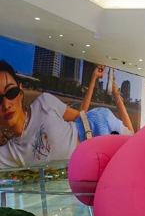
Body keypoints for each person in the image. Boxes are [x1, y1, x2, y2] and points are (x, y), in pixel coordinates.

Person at [0, 60, 134, 168]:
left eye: (11, 92)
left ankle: (116, 94)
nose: (6, 105)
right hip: (90, 162)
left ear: (21, 91)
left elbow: (81, 115)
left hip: (96, 126)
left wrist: (94, 78)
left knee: (134, 145)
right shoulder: (10, 152)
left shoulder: (43, 103)